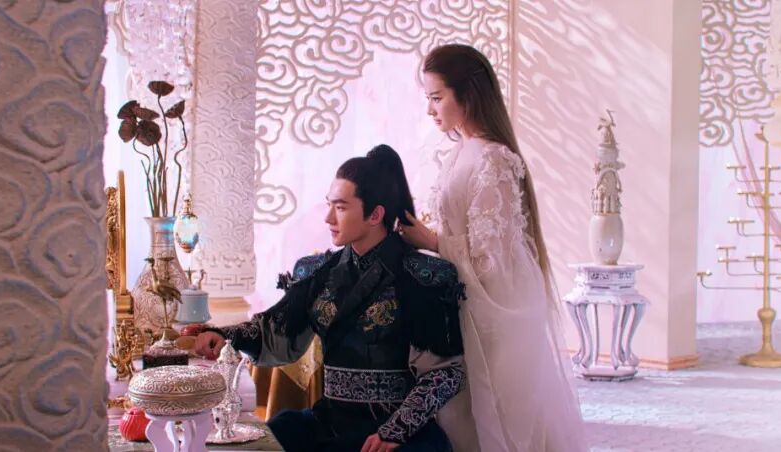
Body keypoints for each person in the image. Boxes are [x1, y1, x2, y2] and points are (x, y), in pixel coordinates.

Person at [195, 145, 467, 452]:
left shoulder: (423, 276)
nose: (327, 218)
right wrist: (223, 335)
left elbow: (446, 370)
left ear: (375, 214)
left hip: (395, 430)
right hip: (330, 423)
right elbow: (274, 330)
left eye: (340, 207)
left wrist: (397, 430)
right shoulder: (318, 272)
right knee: (271, 436)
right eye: (329, 205)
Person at [399, 44, 584, 451]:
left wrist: (431, 241)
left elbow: (490, 260)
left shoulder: (493, 159)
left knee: (497, 418)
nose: (430, 110)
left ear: (467, 94)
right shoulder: (460, 152)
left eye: (436, 98)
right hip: (467, 299)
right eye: (428, 98)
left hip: (496, 307)